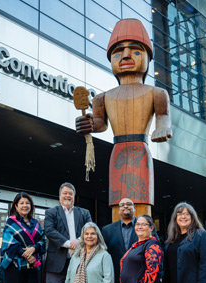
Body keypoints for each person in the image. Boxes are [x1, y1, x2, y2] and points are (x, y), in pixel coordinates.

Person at [75, 19, 172, 219]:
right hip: (117, 151)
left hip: (141, 149)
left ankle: (143, 241)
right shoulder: (102, 97)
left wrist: (162, 129)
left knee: (142, 200)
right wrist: (90, 123)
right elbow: (101, 124)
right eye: (118, 52)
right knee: (117, 202)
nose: (126, 55)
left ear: (147, 57)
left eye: (136, 50)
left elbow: (163, 117)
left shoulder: (157, 93)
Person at [43, 182, 92, 283]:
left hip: (78, 261)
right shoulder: (51, 212)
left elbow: (90, 228)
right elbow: (49, 231)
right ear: (60, 196)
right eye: (65, 193)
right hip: (56, 261)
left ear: (74, 196)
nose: (67, 196)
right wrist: (68, 243)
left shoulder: (84, 213)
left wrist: (78, 241)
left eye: (70, 193)